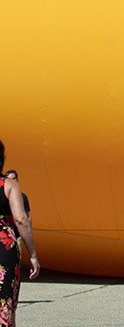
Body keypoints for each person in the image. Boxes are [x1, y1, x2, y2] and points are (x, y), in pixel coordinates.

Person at [0, 140, 39, 327]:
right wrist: (32, 254)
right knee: (4, 303)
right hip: (4, 250)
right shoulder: (8, 185)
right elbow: (21, 220)